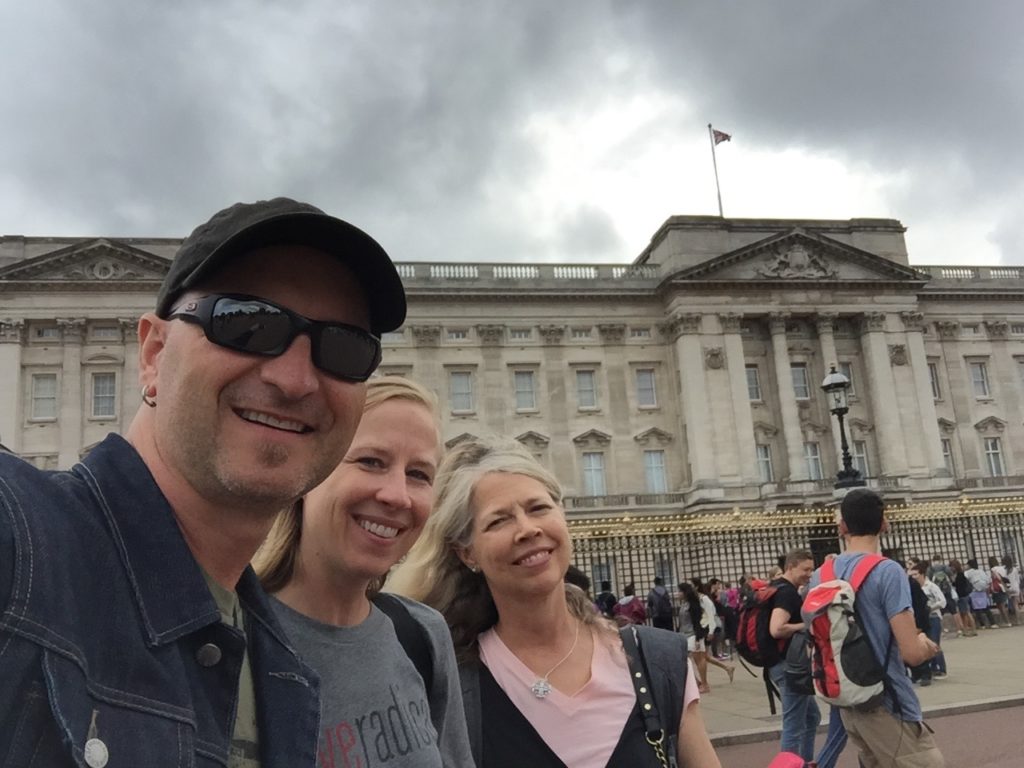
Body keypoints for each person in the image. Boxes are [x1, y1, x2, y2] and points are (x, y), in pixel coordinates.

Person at [0, 197, 407, 765]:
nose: (294, 380)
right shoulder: (18, 538)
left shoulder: (283, 665)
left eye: (344, 347)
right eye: (245, 323)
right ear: (153, 353)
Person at [388, 437, 721, 768]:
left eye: (538, 508)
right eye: (499, 520)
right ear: (467, 552)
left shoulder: (659, 661)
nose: (528, 529)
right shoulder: (450, 685)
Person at [252, 375, 473, 767]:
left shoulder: (423, 634)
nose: (398, 495)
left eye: (419, 474)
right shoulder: (229, 640)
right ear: (307, 472)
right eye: (371, 462)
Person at [807, 488, 943, 767]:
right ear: (884, 523)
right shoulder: (887, 570)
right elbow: (911, 654)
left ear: (842, 526)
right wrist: (927, 646)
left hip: (847, 697)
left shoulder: (821, 574)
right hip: (887, 698)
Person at [767, 549, 820, 763]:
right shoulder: (787, 593)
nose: (810, 574)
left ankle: (804, 762)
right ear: (790, 567)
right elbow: (776, 629)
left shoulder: (775, 587)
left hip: (781, 663)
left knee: (811, 717)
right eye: (805, 569)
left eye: (812, 569)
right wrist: (807, 624)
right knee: (793, 725)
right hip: (788, 666)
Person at [910, 561, 948, 680]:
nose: (913, 577)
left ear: (922, 574)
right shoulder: (914, 587)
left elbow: (942, 601)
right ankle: (932, 668)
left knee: (934, 642)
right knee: (924, 644)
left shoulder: (931, 586)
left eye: (915, 574)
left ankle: (941, 669)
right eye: (912, 575)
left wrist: (930, 608)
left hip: (933, 617)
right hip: (922, 619)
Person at [964, 558, 996, 629]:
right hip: (982, 591)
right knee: (985, 607)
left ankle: (982, 625)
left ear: (969, 565)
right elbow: (987, 580)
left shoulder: (967, 572)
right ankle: (993, 623)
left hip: (974, 591)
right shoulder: (981, 571)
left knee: (977, 609)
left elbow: (965, 580)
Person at [949, 558, 977, 636]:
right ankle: (968, 629)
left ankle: (970, 629)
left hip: (962, 596)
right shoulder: (962, 574)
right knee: (965, 613)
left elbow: (958, 585)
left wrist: (953, 581)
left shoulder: (959, 575)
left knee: (966, 613)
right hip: (965, 595)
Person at [988, 555, 1013, 627]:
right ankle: (1007, 621)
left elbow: (993, 579)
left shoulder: (993, 569)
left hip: (997, 589)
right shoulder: (1002, 568)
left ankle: (1007, 621)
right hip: (1003, 588)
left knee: (1000, 606)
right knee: (1002, 605)